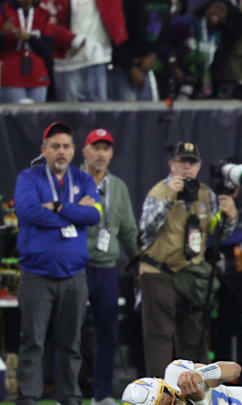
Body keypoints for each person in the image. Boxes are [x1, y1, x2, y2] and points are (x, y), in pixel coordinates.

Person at [14, 122, 101, 405]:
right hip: (36, 274)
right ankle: (28, 395)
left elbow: (94, 217)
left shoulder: (84, 178)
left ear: (74, 150)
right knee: (33, 341)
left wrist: (59, 207)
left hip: (74, 275)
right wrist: (75, 213)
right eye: (55, 147)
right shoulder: (29, 177)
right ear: (44, 150)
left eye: (66, 146)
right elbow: (28, 213)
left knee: (70, 343)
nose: (61, 152)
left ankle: (70, 394)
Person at [138, 141, 238, 377]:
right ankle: (160, 393)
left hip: (192, 273)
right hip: (158, 272)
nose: (186, 167)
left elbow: (216, 233)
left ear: (199, 166)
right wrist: (169, 200)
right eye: (182, 162)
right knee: (160, 337)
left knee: (194, 336)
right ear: (172, 165)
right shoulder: (159, 191)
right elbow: (145, 231)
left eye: (191, 162)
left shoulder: (206, 194)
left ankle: (193, 394)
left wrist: (230, 218)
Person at [81, 128, 140, 405]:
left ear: (112, 153)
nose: (101, 153)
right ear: (85, 151)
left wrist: (138, 262)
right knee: (68, 334)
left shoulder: (118, 187)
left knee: (108, 334)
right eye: (96, 147)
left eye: (106, 148)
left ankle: (101, 395)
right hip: (75, 267)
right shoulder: (71, 181)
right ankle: (67, 395)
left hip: (106, 269)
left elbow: (128, 230)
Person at [41, 0, 128, 102]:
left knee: (98, 114)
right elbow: (43, 22)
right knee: (69, 115)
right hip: (67, 64)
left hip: (97, 61)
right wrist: (75, 39)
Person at [0, 0, 80, 103]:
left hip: (38, 75)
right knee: (17, 117)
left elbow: (47, 50)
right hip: (11, 76)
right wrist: (3, 33)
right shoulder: (3, 10)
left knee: (38, 117)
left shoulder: (42, 12)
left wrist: (29, 38)